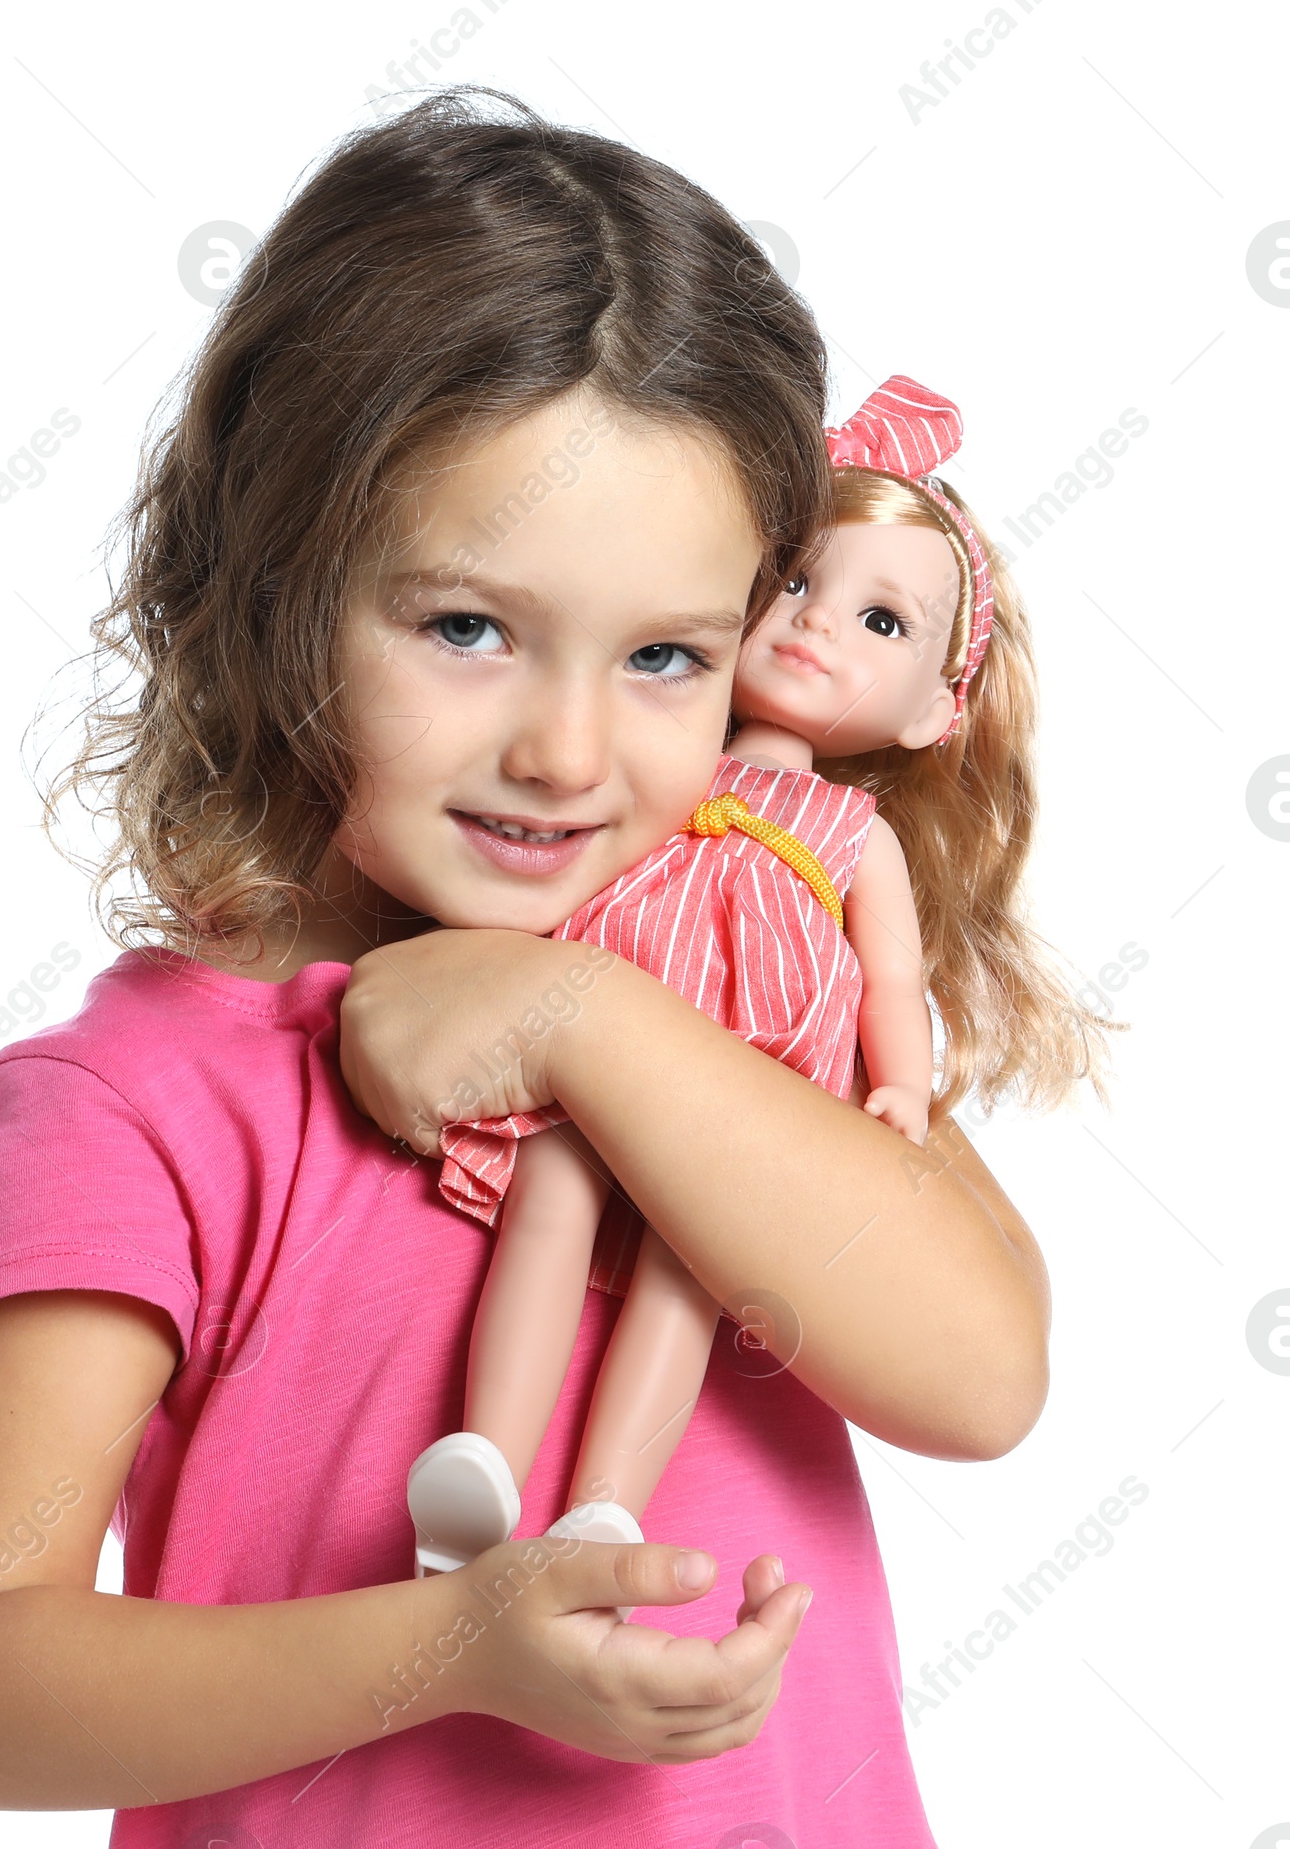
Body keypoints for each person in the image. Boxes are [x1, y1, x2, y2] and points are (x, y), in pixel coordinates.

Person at [0, 88, 1045, 1849]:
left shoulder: (729, 1012)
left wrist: (585, 1010)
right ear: (266, 591)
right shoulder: (144, 1096)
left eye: (665, 653)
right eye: (465, 625)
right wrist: (455, 1644)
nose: (565, 745)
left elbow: (979, 1370)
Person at [408, 376, 1111, 1589]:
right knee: (552, 1194)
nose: (815, 625)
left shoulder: (849, 833)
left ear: (936, 708)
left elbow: (891, 978)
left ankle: (606, 1509)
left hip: (745, 1090)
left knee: (691, 1270)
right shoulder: (658, 763)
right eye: (793, 582)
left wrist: (899, 1088)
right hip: (582, 1049)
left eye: (881, 622)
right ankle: (480, 1457)